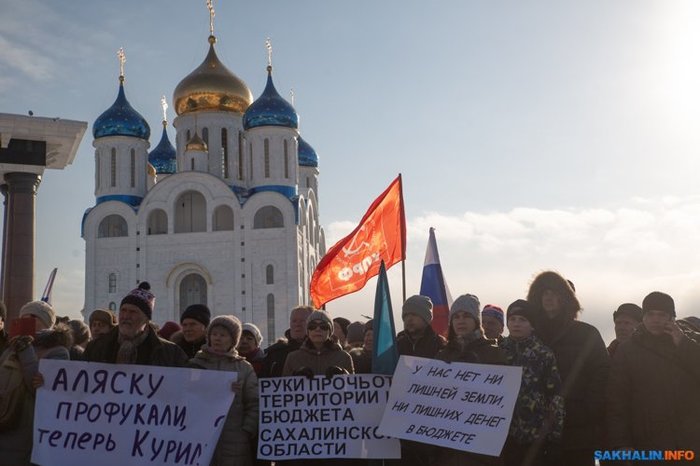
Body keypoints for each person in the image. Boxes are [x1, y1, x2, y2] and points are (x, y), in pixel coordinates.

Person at [527, 271, 609, 466]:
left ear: (565, 298)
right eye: (544, 293)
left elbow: (602, 373)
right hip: (535, 433)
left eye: (554, 292)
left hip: (578, 432)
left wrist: (587, 409)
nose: (548, 297)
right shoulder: (529, 335)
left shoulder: (587, 334)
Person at [607, 292, 700, 459]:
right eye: (650, 314)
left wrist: (683, 343)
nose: (656, 320)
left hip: (690, 443)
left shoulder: (690, 342)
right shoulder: (627, 350)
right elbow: (617, 400)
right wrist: (622, 443)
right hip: (648, 445)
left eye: (662, 315)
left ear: (672, 318)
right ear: (643, 317)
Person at [434, 293, 506, 466]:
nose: (461, 320)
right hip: (447, 449)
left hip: (482, 449)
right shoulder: (442, 355)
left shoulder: (494, 354)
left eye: (466, 316)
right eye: (456, 317)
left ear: (476, 321)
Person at [0, 301, 73, 465]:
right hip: (5, 421)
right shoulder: (10, 349)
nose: (27, 320)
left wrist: (26, 350)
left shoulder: (58, 352)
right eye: (23, 317)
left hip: (27, 432)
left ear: (46, 322)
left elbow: (40, 390)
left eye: (33, 317)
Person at [499, 299, 564, 466]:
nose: (516, 324)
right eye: (512, 319)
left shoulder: (543, 354)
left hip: (534, 438)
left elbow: (555, 397)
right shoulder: (497, 351)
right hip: (502, 436)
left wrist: (555, 437)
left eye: (522, 320)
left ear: (532, 325)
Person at [189, 316, 259, 466]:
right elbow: (186, 396)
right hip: (200, 436)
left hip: (234, 440)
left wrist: (246, 431)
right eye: (214, 334)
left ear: (232, 340)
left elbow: (254, 402)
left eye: (223, 335)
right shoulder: (195, 365)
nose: (217, 338)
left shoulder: (244, 368)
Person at [83, 282, 187, 366]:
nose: (126, 316)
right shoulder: (96, 347)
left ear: (146, 319)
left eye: (133, 312)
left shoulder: (169, 353)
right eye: (123, 310)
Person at [282, 310, 354, 376]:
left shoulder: (343, 357)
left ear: (330, 331)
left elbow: (353, 385)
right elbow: (283, 386)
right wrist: (295, 376)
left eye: (323, 326)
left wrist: (343, 374)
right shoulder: (293, 358)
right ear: (308, 331)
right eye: (312, 326)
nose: (318, 329)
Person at [261, 305, 313, 377]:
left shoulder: (320, 351)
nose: (297, 324)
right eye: (294, 321)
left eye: (302, 321)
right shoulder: (274, 354)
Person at [396, 295, 445, 359]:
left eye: (414, 315)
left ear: (425, 318)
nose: (409, 319)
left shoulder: (440, 345)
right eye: (406, 315)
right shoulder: (396, 344)